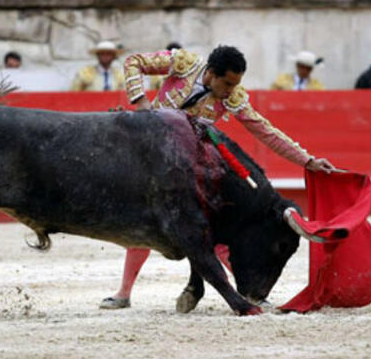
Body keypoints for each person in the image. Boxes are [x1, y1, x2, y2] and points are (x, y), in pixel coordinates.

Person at [100, 45, 335, 309]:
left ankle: (249, 292)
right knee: (147, 223)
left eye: (236, 84)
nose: (231, 90)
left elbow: (265, 131)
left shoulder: (231, 98)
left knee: (218, 227)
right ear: (210, 73)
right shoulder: (183, 63)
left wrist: (308, 160)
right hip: (154, 159)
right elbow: (134, 61)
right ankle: (124, 293)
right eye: (227, 83)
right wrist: (139, 100)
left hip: (192, 170)